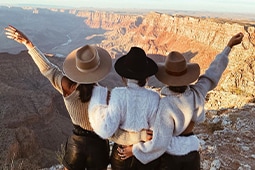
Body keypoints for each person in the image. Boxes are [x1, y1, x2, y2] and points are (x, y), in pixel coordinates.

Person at [119, 32, 244, 170]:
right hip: (192, 154)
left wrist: (135, 150)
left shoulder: (166, 104)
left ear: (166, 79)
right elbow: (213, 72)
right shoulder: (198, 91)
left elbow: (160, 143)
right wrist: (228, 47)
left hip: (172, 158)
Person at [5, 25, 112, 170]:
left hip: (76, 146)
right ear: (99, 69)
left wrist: (28, 43)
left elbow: (48, 68)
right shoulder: (107, 95)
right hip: (99, 148)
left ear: (78, 68)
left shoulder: (68, 88)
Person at [88, 46, 161, 170]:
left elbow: (107, 130)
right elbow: (155, 135)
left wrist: (98, 97)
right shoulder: (154, 97)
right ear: (146, 76)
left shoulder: (118, 94)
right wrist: (138, 143)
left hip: (121, 155)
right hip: (145, 154)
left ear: (124, 76)